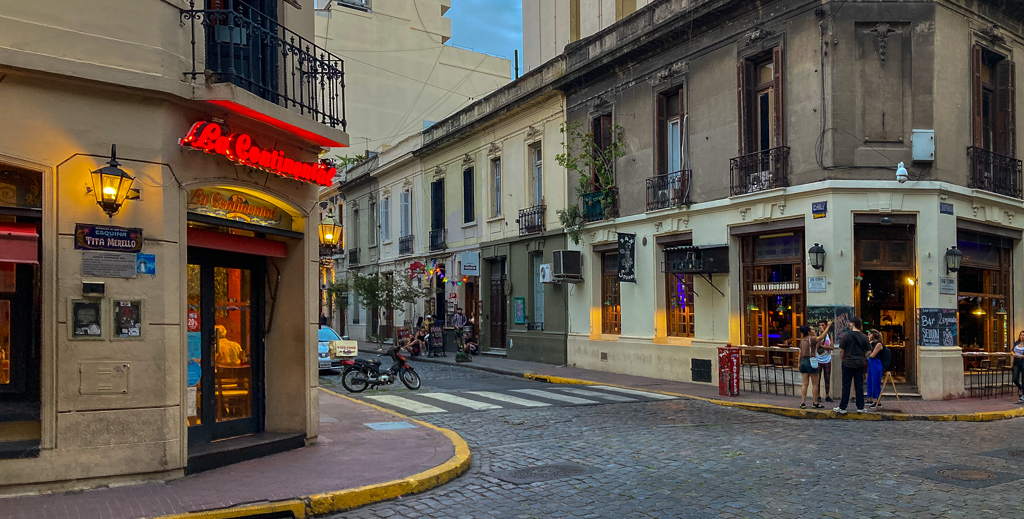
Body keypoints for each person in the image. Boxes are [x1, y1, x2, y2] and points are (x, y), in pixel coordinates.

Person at [834, 316, 870, 414]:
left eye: (850, 323)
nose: (849, 324)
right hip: (859, 364)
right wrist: (863, 358)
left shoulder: (846, 336)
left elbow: (842, 350)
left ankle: (843, 407)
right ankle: (860, 407)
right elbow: (869, 351)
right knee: (859, 385)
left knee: (846, 385)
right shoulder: (864, 337)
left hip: (847, 363)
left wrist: (843, 360)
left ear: (853, 324)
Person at [797, 325, 823, 409]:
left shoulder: (802, 341)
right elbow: (821, 337)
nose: (814, 330)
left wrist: (799, 363)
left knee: (804, 384)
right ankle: (815, 402)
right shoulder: (811, 339)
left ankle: (803, 402)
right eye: (812, 329)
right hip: (811, 361)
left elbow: (800, 353)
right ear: (809, 332)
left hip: (803, 361)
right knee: (815, 384)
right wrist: (827, 327)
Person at [815, 319, 835, 404]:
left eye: (823, 325)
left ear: (826, 326)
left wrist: (823, 346)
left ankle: (827, 395)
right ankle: (818, 395)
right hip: (818, 359)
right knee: (817, 378)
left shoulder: (829, 336)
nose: (821, 327)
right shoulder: (817, 335)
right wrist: (824, 346)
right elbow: (816, 346)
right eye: (820, 325)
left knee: (827, 377)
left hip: (827, 358)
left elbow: (832, 347)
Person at [865, 330, 885, 407]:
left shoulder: (878, 344)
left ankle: (878, 401)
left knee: (875, 381)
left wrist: (867, 355)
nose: (868, 336)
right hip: (870, 363)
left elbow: (872, 355)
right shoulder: (871, 344)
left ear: (873, 335)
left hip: (876, 363)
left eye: (869, 334)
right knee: (869, 380)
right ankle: (870, 399)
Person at [1013, 331, 1024, 403]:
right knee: (1015, 379)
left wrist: (1022, 356)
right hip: (1016, 362)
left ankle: (1022, 396)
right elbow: (1012, 350)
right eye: (1021, 335)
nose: (1022, 336)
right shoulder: (1016, 343)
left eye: (1023, 335)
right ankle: (1022, 389)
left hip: (1023, 362)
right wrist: (1014, 354)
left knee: (1023, 380)